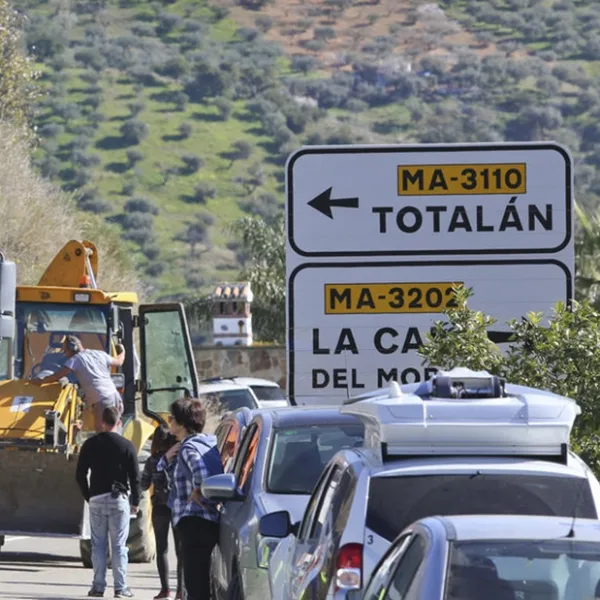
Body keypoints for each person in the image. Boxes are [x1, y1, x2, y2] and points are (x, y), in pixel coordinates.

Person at [157, 397, 224, 600]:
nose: (169, 422)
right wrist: (166, 458)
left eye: (171, 418)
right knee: (203, 582)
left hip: (193, 522)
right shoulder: (207, 442)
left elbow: (201, 473)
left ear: (181, 423)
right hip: (209, 521)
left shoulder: (188, 448)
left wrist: (200, 490)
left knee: (195, 585)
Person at [75, 405, 140, 599]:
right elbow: (135, 476)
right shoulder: (127, 446)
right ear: (119, 423)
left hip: (96, 499)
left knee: (98, 545)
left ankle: (98, 587)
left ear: (102, 422)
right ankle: (120, 588)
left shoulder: (90, 444)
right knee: (119, 545)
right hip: (118, 500)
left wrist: (88, 495)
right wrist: (135, 500)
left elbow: (80, 474)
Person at [33, 335, 125, 432]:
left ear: (73, 348)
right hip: (115, 396)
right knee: (115, 429)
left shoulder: (76, 359)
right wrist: (123, 351)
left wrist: (41, 381)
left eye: (65, 351)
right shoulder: (99, 354)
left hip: (101, 398)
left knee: (101, 430)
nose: (65, 354)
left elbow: (57, 376)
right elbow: (119, 361)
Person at [140, 425, 183, 600]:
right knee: (181, 551)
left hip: (159, 506)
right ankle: (181, 590)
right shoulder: (180, 458)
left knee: (162, 549)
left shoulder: (152, 461)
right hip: (179, 506)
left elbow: (143, 485)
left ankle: (165, 590)